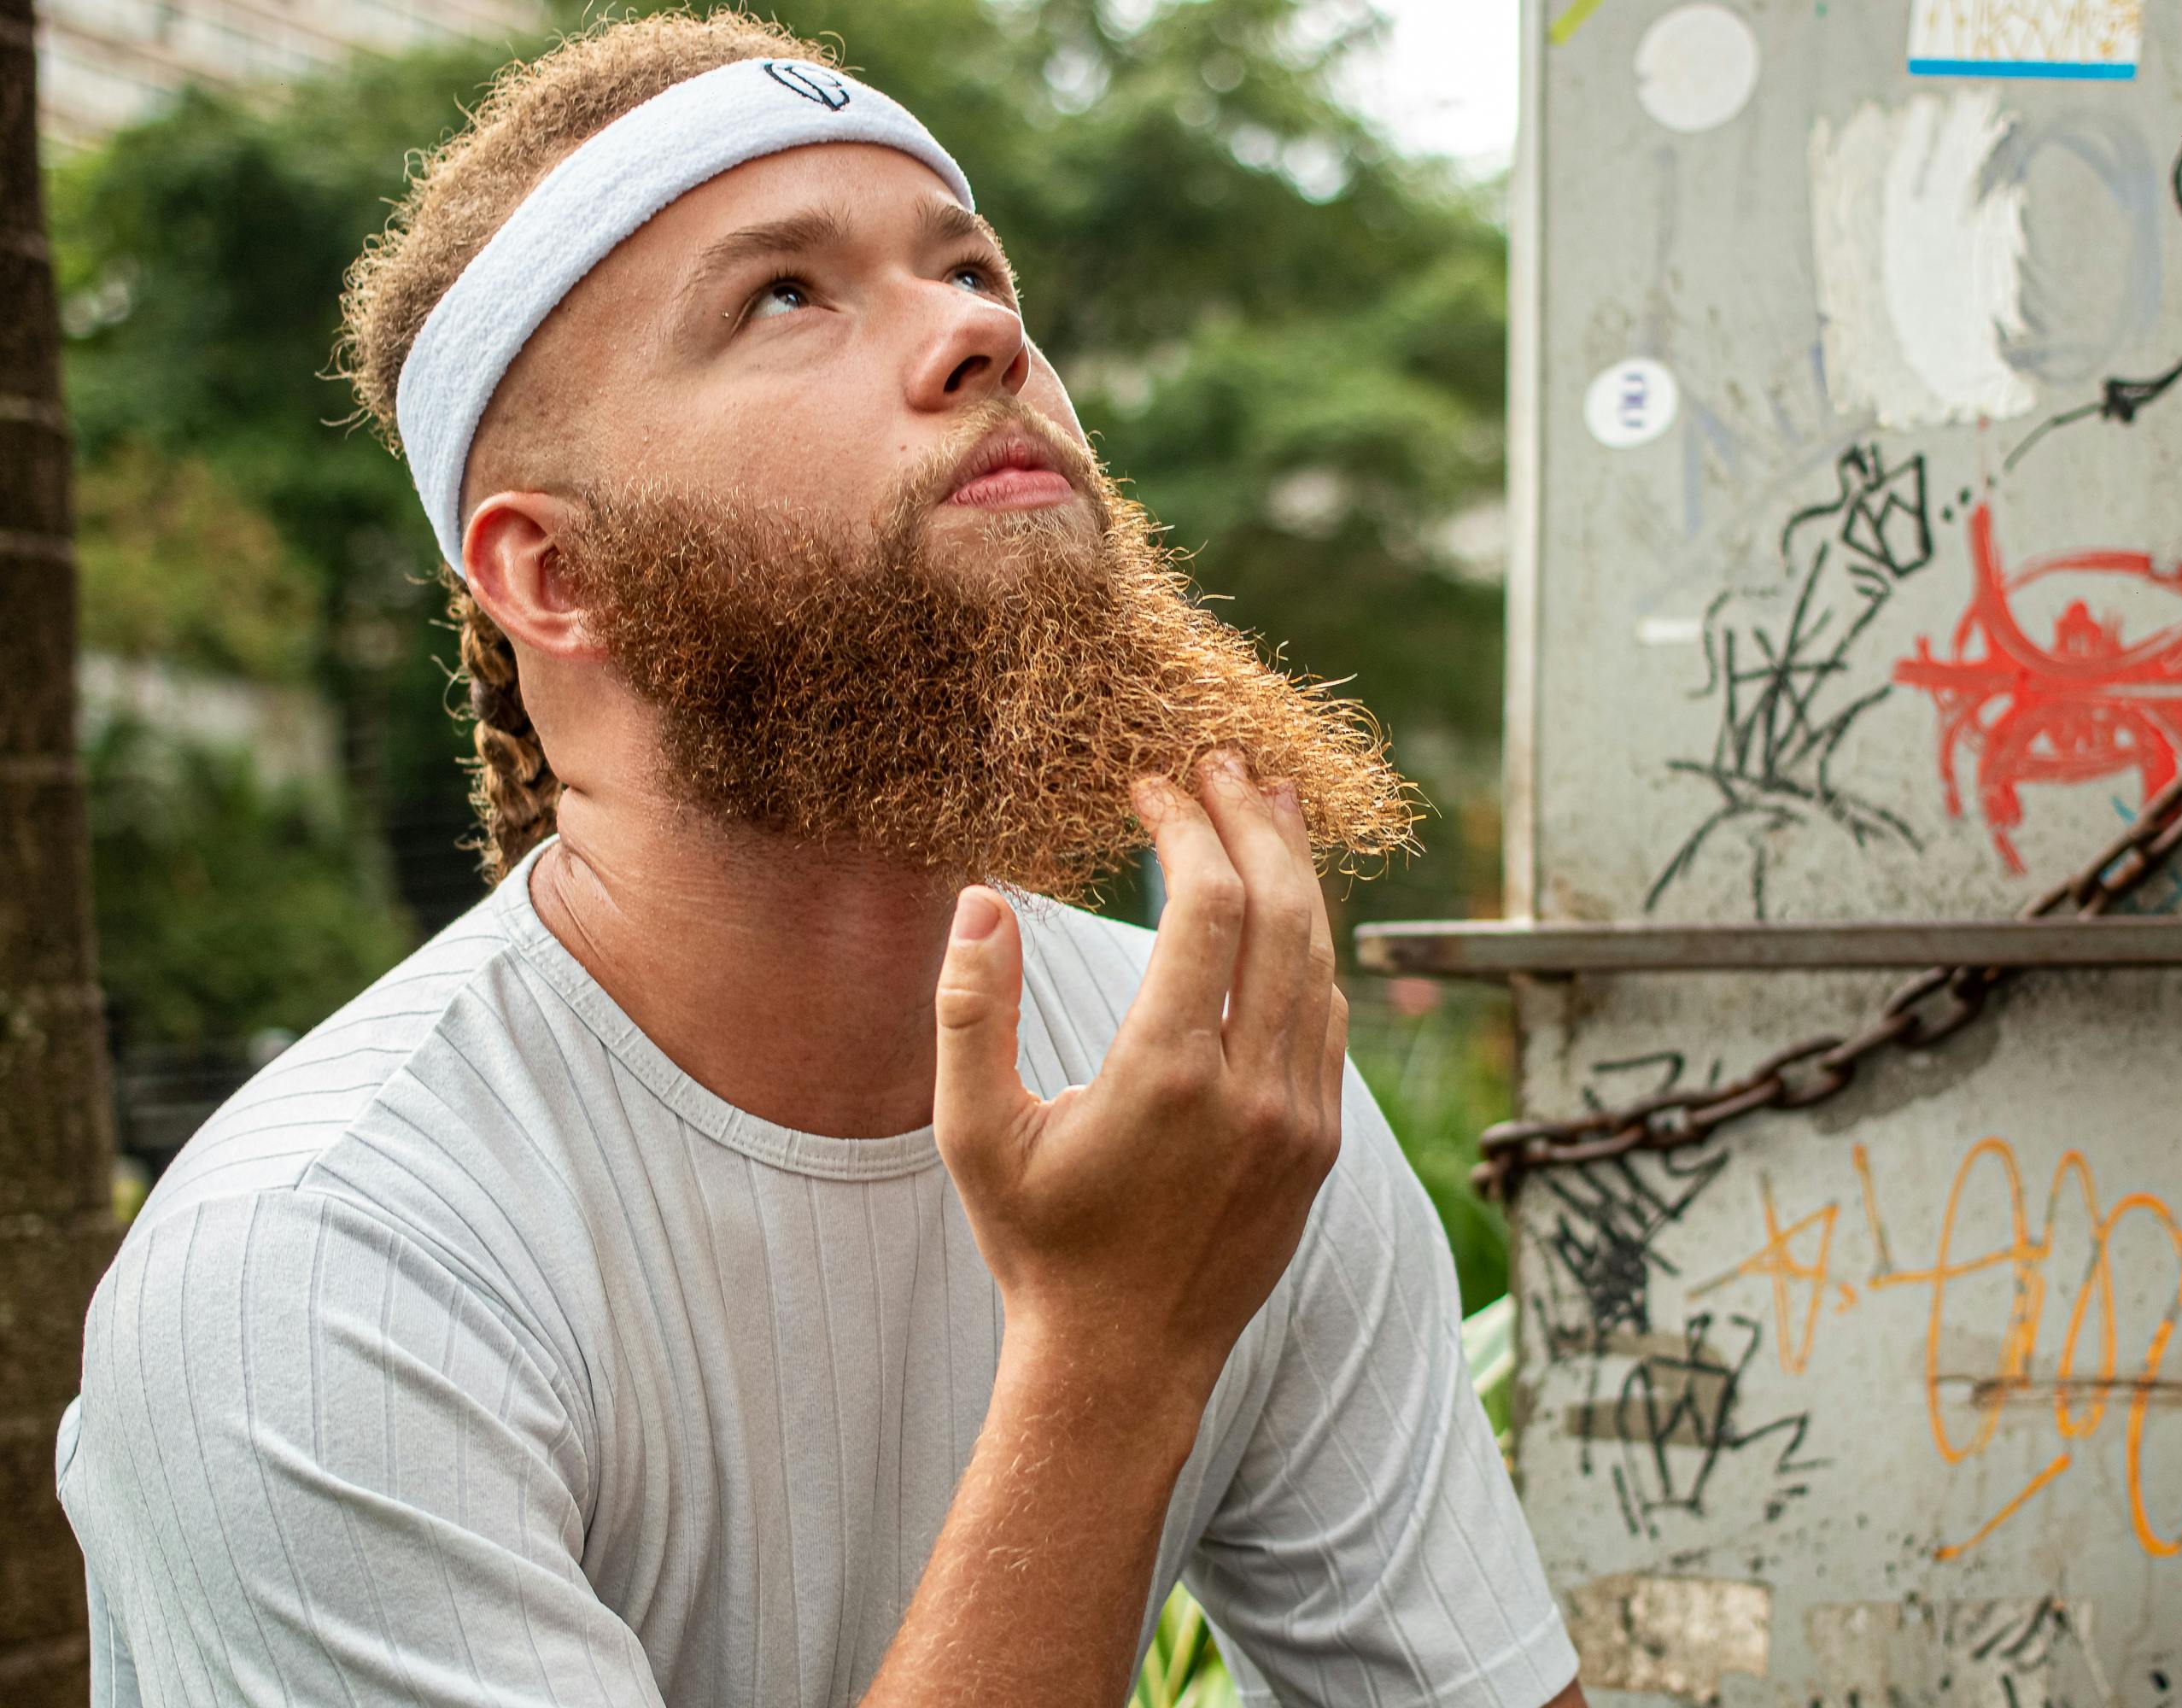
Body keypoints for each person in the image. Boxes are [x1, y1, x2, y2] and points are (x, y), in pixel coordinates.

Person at [54, 11, 1587, 1708]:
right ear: (555, 577)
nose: (982, 331)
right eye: (786, 294)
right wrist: (1113, 1351)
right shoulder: (318, 1275)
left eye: (971, 267)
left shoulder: (1201, 1097)